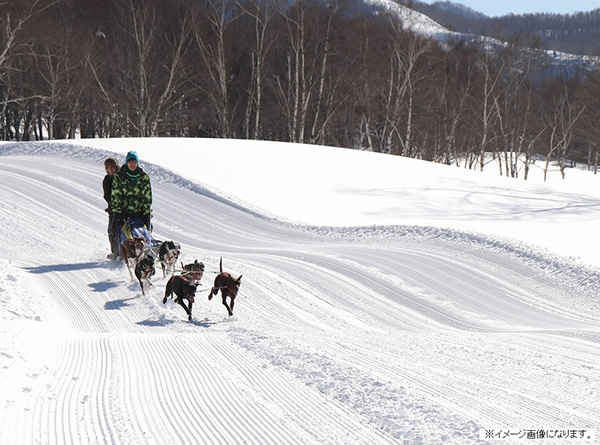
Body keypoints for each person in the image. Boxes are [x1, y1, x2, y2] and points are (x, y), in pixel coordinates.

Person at [111, 151, 153, 240]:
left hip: (139, 213)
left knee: (143, 234)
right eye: (130, 162)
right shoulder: (119, 176)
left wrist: (146, 213)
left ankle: (147, 249)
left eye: (134, 162)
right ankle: (119, 252)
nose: (132, 164)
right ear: (127, 163)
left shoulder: (143, 177)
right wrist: (117, 212)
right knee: (124, 236)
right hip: (124, 213)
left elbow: (146, 196)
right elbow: (116, 195)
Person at [103, 158, 121, 260]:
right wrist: (113, 204)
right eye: (108, 168)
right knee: (112, 230)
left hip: (126, 207)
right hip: (114, 209)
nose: (111, 169)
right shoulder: (107, 180)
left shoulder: (122, 176)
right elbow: (107, 195)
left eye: (112, 167)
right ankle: (115, 251)